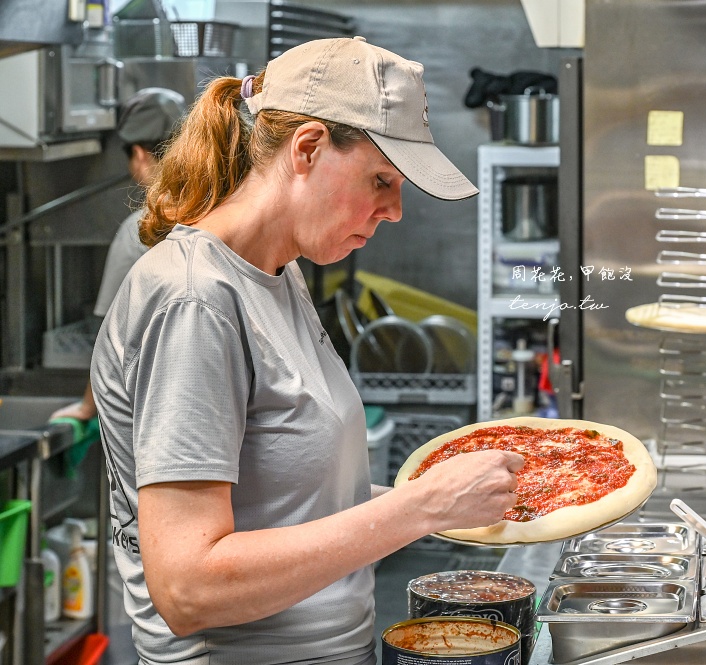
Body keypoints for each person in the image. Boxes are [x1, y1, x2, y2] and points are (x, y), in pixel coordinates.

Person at [90, 37, 523, 664]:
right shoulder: (195, 299)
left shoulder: (277, 274)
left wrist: (444, 507)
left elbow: (288, 508)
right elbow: (189, 587)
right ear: (309, 148)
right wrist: (419, 505)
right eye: (381, 179)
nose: (396, 210)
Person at [49, 87, 186, 422]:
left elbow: (112, 339)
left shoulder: (141, 230)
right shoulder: (224, 207)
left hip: (163, 409)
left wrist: (86, 407)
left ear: (140, 155)